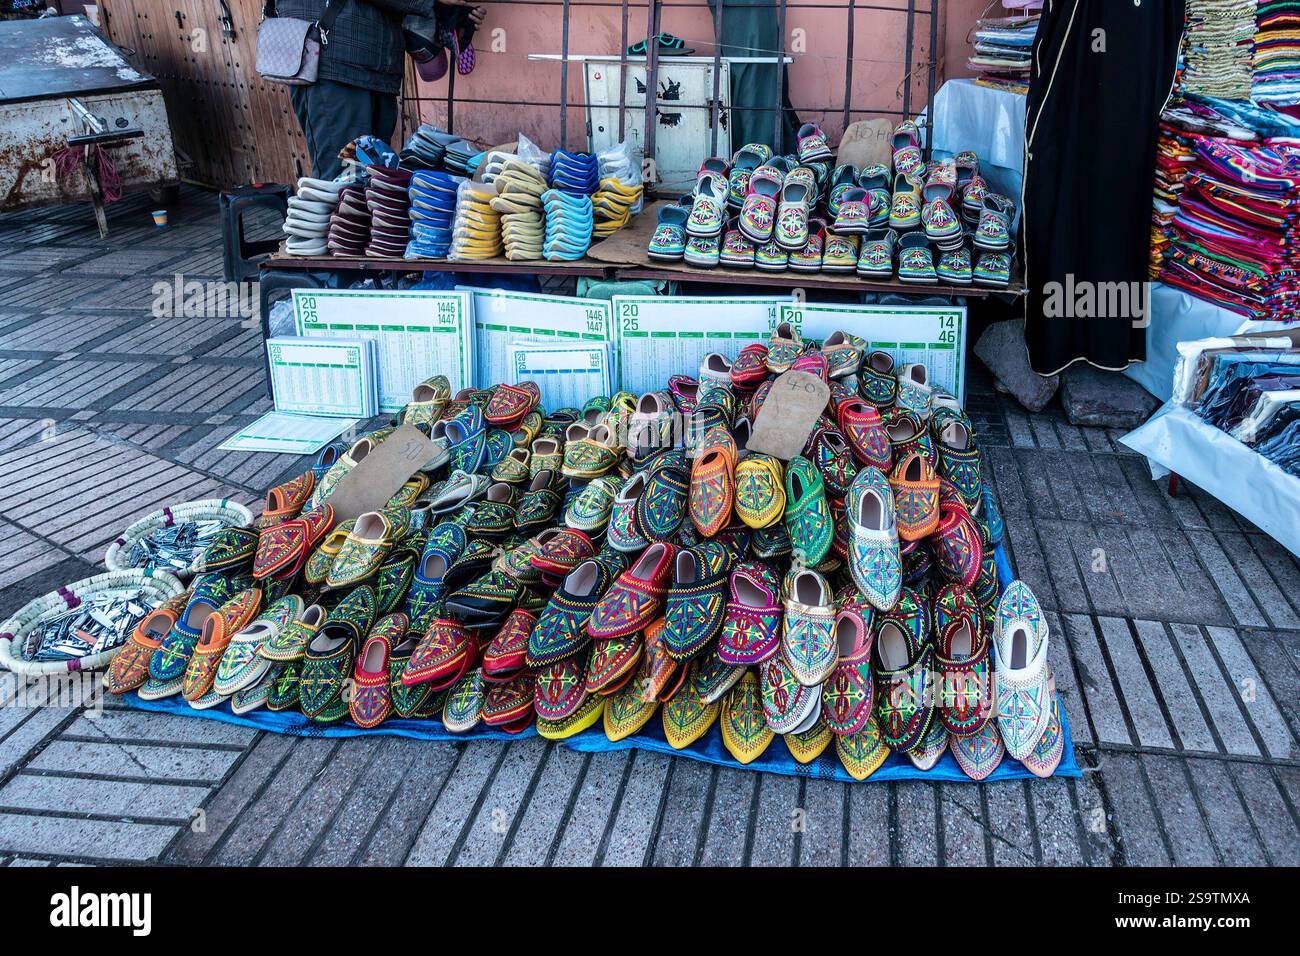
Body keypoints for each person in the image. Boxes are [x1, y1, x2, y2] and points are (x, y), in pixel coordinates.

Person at [275, 0, 487, 178]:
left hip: (375, 67)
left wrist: (447, 14)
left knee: (373, 182)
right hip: (335, 63)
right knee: (342, 185)